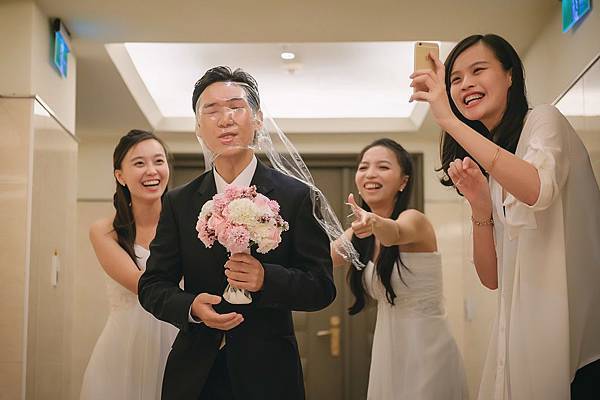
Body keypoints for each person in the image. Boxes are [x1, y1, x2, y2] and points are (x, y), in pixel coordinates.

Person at [410, 33, 600, 400]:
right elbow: (491, 277)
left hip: (580, 344)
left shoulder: (544, 120)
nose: (466, 84)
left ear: (510, 75)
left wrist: (448, 120)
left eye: (478, 70)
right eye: (455, 79)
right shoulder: (496, 164)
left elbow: (538, 188)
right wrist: (480, 208)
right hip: (525, 334)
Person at [138, 66, 336, 400]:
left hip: (270, 374)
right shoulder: (179, 202)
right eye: (211, 110)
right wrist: (190, 306)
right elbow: (152, 285)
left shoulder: (296, 197)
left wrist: (266, 279)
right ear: (198, 127)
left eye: (236, 107)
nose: (225, 119)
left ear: (257, 119)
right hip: (195, 373)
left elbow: (321, 287)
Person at [331, 138, 468, 400]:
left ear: (403, 181)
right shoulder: (358, 232)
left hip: (427, 349)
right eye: (363, 167)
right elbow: (323, 259)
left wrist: (373, 222)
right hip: (389, 347)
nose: (370, 174)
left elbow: (394, 233)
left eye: (382, 167)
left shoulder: (415, 220)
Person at [80, 130, 178, 400]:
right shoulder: (104, 231)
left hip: (177, 343)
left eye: (158, 161)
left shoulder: (188, 226)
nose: (152, 171)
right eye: (139, 163)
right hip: (122, 350)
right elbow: (143, 285)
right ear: (120, 176)